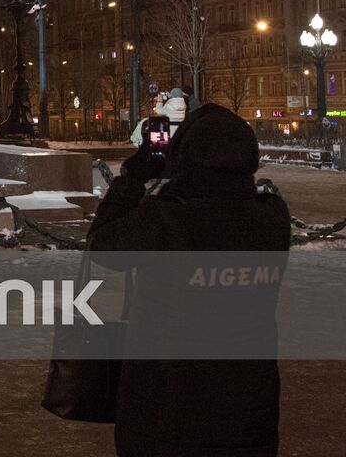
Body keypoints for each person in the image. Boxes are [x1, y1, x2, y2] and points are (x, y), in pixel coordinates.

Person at [88, 104, 290, 456]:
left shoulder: (166, 219)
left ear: (185, 158)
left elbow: (101, 247)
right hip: (249, 411)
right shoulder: (272, 217)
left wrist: (133, 179)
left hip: (167, 410)